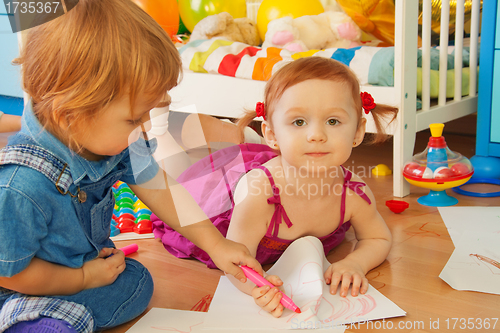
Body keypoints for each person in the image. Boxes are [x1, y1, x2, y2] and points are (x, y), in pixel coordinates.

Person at [0, 1, 262, 332]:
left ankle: (51, 315)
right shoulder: (21, 185)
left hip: (81, 265)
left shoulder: (103, 139)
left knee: (136, 283)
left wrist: (216, 244)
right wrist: (80, 278)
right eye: (135, 118)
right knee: (121, 288)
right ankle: (30, 320)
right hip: (21, 281)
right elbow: (10, 272)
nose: (147, 128)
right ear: (70, 113)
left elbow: (157, 185)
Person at [151, 57, 397, 318]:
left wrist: (355, 263)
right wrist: (258, 288)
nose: (316, 135)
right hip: (225, 199)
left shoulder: (354, 192)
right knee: (182, 177)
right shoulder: (258, 193)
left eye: (333, 121)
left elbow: (377, 237)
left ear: (358, 132)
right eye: (299, 122)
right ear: (272, 134)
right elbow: (235, 263)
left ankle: (244, 136)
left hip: (279, 163)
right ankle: (161, 132)